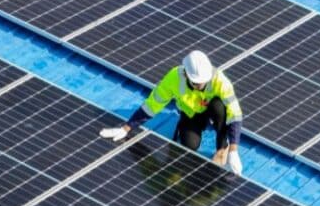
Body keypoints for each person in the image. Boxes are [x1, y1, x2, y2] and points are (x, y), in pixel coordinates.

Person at [100, 51, 243, 174]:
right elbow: (153, 105)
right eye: (197, 82)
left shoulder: (220, 81)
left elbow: (234, 113)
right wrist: (127, 127)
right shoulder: (174, 78)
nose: (201, 86)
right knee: (189, 146)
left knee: (220, 107)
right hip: (191, 114)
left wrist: (234, 150)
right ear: (186, 74)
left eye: (203, 82)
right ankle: (186, 127)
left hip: (214, 111)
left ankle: (222, 149)